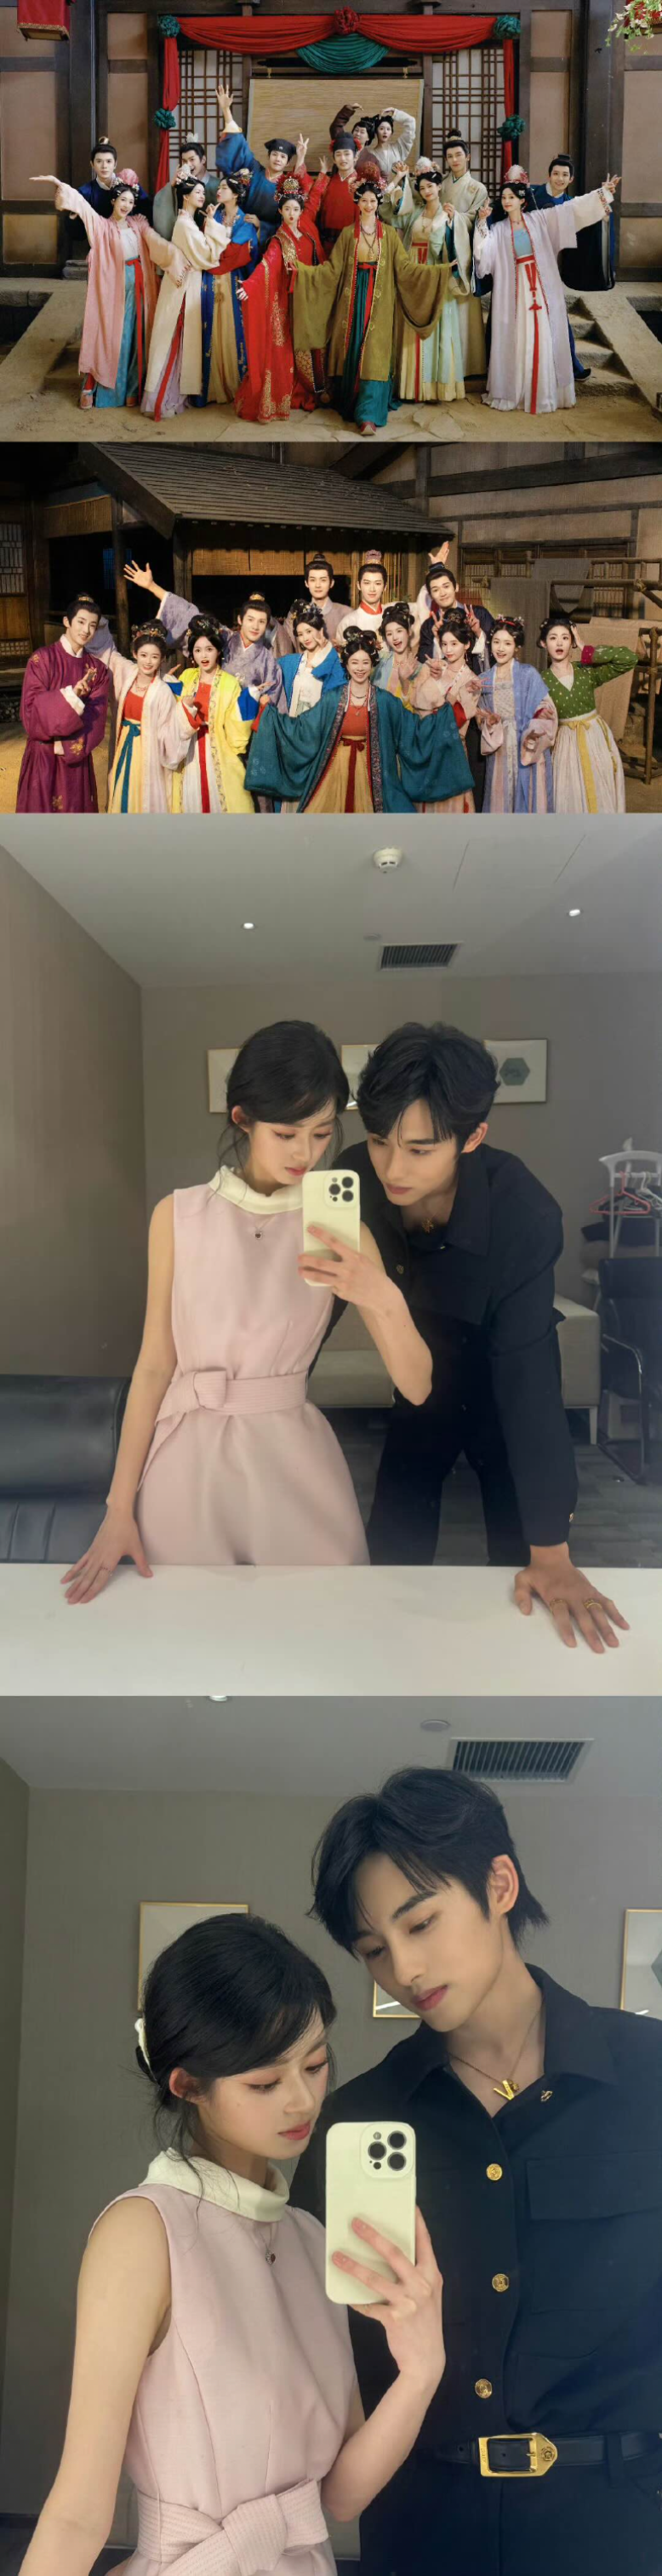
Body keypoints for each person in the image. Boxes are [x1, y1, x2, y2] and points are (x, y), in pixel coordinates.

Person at [292, 1762, 660, 2576]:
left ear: (499, 1884)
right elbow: (320, 2362)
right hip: (421, 2530)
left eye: (421, 1923)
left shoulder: (651, 2076)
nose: (403, 1969)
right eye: (374, 1950)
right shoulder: (357, 2119)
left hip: (619, 2530)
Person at [21, 1909, 445, 2576]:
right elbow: (77, 2513)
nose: (302, 2100)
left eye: (315, 2063)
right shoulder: (143, 2231)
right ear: (188, 2084)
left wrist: (421, 2371)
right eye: (264, 2082)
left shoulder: (311, 2238)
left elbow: (341, 2495)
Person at [61, 1020, 438, 1596]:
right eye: (286, 1133)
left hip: (295, 1465)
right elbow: (155, 1367)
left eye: (321, 1133)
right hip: (185, 1465)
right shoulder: (177, 1216)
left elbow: (416, 1385)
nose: (306, 1152)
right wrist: (118, 1508)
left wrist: (382, 1297)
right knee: (189, 1629)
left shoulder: (342, 1229)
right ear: (243, 1119)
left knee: (322, 1625)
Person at [322, 1021, 628, 1648]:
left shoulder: (524, 1213)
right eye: (379, 1140)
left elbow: (530, 1383)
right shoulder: (353, 1180)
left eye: (420, 1149)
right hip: (420, 1372)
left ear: (473, 1137)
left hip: (503, 1375)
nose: (392, 1168)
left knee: (522, 1557)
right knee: (393, 1543)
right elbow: (315, 1311)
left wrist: (554, 1553)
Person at [295, 177, 464, 436]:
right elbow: (331, 270)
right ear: (357, 203)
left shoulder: (389, 236)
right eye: (364, 200)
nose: (369, 205)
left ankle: (368, 415)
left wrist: (440, 271)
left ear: (378, 203)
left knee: (375, 353)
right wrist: (303, 272)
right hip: (353, 302)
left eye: (373, 201)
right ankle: (353, 404)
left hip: (381, 301)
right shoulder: (348, 234)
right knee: (354, 350)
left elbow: (405, 268)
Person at [245, 631, 474, 819]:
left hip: (375, 775)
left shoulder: (385, 701)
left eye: (365, 662)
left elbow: (415, 731)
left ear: (372, 665)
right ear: (346, 665)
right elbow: (303, 729)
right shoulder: (333, 698)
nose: (360, 668)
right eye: (354, 662)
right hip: (333, 773)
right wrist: (269, 714)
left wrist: (453, 715)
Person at [31, 171, 180, 408]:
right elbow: (84, 208)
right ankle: (95, 387)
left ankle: (132, 389)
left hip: (140, 284)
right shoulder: (101, 226)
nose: (126, 205)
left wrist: (177, 258)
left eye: (130, 201)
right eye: (123, 200)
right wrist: (61, 186)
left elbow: (156, 243)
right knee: (110, 335)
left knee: (137, 335)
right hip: (113, 287)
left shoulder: (138, 224)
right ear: (113, 200)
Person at [474, 172, 619, 414]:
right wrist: (481, 223)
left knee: (542, 335)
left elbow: (571, 210)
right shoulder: (498, 229)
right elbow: (484, 256)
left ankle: (543, 391)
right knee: (518, 336)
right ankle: (517, 390)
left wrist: (601, 194)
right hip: (513, 293)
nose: (507, 201)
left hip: (540, 290)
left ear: (522, 200)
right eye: (504, 197)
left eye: (512, 197)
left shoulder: (540, 219)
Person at [141, 178, 248, 418]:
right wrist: (213, 225)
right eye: (197, 192)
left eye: (202, 192)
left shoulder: (189, 221)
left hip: (187, 284)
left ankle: (175, 396)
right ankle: (162, 400)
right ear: (185, 196)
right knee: (174, 340)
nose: (202, 196)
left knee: (181, 342)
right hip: (182, 288)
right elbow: (209, 257)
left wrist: (209, 223)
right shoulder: (184, 224)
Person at [123, 564, 287, 714]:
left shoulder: (269, 663)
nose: (255, 626)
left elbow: (274, 707)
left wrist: (261, 704)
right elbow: (189, 614)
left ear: (267, 625)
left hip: (243, 723)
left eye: (261, 622)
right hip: (207, 709)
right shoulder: (225, 638)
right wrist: (152, 586)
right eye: (250, 619)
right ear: (240, 619)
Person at [235, 178, 326, 425]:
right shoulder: (278, 240)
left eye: (296, 209)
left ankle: (310, 388)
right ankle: (285, 394)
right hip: (287, 300)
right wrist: (250, 286)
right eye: (287, 209)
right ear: (280, 211)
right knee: (286, 347)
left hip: (309, 298)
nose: (292, 213)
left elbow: (315, 202)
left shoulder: (308, 231)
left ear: (301, 210)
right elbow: (267, 265)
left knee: (310, 346)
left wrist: (322, 178)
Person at [16, 595, 110, 815]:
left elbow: (96, 718)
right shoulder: (41, 660)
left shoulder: (97, 670)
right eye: (81, 622)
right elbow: (30, 712)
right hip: (43, 756)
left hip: (75, 761)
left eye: (93, 625)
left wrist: (66, 746)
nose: (86, 630)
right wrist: (71, 697)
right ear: (67, 621)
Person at [539, 615, 638, 814]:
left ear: (572, 642)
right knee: (570, 794)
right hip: (565, 744)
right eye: (553, 638)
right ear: (543, 643)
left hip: (595, 739)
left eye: (565, 638)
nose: (559, 643)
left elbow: (629, 659)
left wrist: (586, 649)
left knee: (600, 787)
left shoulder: (586, 671)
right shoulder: (541, 681)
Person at [386, 164, 467, 403]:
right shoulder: (414, 212)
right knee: (411, 322)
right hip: (414, 271)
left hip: (436, 272)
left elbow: (445, 248)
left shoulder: (448, 213)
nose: (426, 191)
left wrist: (447, 222)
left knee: (438, 325)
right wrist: (398, 178)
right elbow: (387, 212)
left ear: (439, 187)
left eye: (430, 186)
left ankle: (434, 388)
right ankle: (410, 388)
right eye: (422, 188)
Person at [89, 619, 186, 814]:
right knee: (121, 788)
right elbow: (108, 653)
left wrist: (189, 711)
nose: (148, 661)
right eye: (143, 655)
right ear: (134, 654)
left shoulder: (164, 690)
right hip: (124, 744)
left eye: (154, 657)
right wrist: (98, 622)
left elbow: (169, 730)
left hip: (149, 749)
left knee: (144, 794)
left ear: (162, 659)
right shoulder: (128, 673)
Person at [165, 614, 255, 814]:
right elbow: (175, 707)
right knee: (190, 798)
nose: (203, 656)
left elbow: (235, 728)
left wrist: (250, 700)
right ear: (192, 654)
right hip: (189, 749)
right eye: (197, 650)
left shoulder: (230, 683)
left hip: (218, 748)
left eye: (209, 649)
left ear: (218, 650)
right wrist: (165, 683)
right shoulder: (187, 677)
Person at [194, 172, 267, 408]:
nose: (219, 190)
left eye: (224, 188)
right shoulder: (214, 215)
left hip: (232, 279)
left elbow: (238, 253)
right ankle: (212, 387)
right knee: (210, 327)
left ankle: (234, 385)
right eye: (219, 187)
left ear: (236, 194)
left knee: (232, 328)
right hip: (209, 280)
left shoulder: (245, 220)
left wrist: (215, 250)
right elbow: (204, 246)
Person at [477, 615, 558, 813]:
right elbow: (480, 716)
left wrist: (537, 723)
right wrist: (489, 722)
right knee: (500, 795)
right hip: (500, 745)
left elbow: (545, 706)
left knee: (529, 793)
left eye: (507, 643)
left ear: (517, 647)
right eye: (496, 642)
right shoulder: (484, 679)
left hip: (526, 742)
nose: (500, 648)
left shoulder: (528, 674)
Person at [411, 608, 482, 810]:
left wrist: (442, 694)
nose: (448, 649)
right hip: (427, 744)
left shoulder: (472, 680)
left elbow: (458, 718)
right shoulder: (432, 667)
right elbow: (417, 706)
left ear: (467, 644)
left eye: (454, 644)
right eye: (444, 644)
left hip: (453, 747)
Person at [532, 151, 616, 311]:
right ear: (549, 176)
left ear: (571, 179)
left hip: (550, 262)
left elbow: (591, 214)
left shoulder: (570, 204)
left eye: (565, 175)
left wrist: (602, 198)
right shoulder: (532, 193)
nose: (560, 179)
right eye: (556, 174)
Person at [440, 129, 489, 377]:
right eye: (450, 156)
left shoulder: (477, 188)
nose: (455, 160)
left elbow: (474, 220)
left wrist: (455, 217)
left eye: (459, 155)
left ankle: (469, 365)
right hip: (441, 251)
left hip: (463, 252)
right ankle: (445, 364)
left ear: (468, 157)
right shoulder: (441, 184)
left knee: (463, 308)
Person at [215, 83, 296, 226]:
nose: (278, 159)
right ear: (269, 156)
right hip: (239, 224)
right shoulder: (253, 169)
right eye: (275, 154)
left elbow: (288, 220)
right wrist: (226, 110)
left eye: (283, 157)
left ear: (288, 163)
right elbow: (239, 147)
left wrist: (261, 225)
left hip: (265, 234)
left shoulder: (288, 186)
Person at [416, 563, 494, 671]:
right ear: (431, 595)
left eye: (446, 586)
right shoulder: (429, 626)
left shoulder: (479, 614)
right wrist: (437, 640)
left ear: (456, 587)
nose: (442, 593)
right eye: (435, 590)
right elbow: (421, 663)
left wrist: (479, 633)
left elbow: (498, 651)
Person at [277, 603, 345, 713]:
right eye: (300, 634)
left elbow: (340, 692)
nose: (305, 638)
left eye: (309, 631)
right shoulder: (291, 662)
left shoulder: (333, 661)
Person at [151, 134, 217, 243]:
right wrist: (172, 186)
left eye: (192, 159)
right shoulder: (180, 185)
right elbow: (162, 208)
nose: (188, 164)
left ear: (203, 160)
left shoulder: (216, 185)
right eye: (184, 161)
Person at [336, 554, 389, 649]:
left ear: (385, 587)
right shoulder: (348, 622)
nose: (372, 589)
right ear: (359, 585)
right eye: (367, 583)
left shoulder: (392, 617)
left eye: (377, 583)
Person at [374, 604, 422, 705]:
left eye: (399, 631)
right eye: (389, 634)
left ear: (409, 631)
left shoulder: (420, 669)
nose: (395, 637)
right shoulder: (379, 661)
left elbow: (417, 708)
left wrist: (404, 680)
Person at [369, 106, 417, 181]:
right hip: (380, 188)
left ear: (391, 132)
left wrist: (394, 111)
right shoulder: (371, 154)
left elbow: (411, 122)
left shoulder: (399, 148)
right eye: (381, 129)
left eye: (388, 129)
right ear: (376, 131)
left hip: (400, 187)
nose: (385, 132)